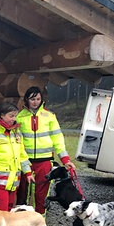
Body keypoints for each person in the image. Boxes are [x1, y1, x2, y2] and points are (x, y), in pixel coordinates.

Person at [16, 86, 75, 215]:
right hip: (25, 162)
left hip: (45, 161)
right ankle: (21, 224)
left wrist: (65, 159)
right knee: (21, 194)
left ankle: (40, 225)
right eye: (32, 99)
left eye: (38, 99)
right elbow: (17, 142)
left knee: (41, 195)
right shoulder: (19, 117)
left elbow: (58, 139)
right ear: (26, 99)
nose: (35, 102)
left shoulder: (49, 116)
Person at [0, 102, 34, 211]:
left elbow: (22, 155)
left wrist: (28, 172)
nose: (14, 119)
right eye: (11, 116)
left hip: (13, 181)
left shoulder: (16, 133)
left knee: (9, 210)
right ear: (1, 115)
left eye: (15, 116)